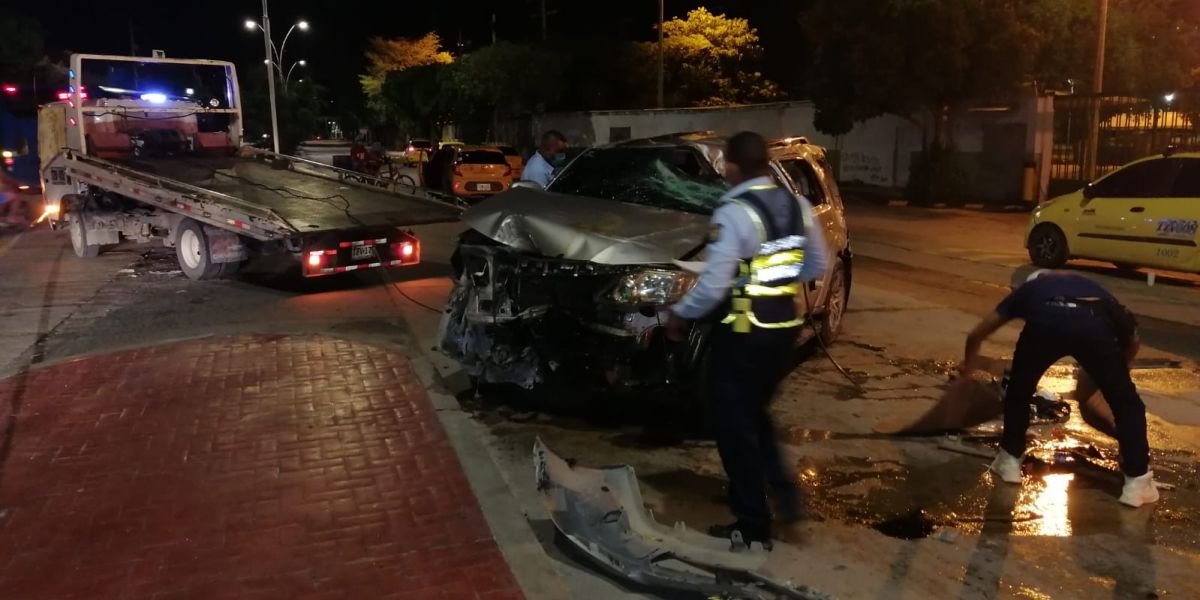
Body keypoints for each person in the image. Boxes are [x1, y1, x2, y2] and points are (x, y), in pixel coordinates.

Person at [665, 131, 828, 547]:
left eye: (724, 165)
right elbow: (816, 264)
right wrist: (774, 281)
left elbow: (716, 283)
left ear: (732, 167)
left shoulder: (735, 212)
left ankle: (752, 524)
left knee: (733, 427)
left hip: (743, 333)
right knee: (756, 415)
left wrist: (681, 313)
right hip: (783, 331)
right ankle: (786, 498)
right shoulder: (798, 205)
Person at [961, 269, 1158, 507]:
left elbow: (976, 334)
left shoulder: (1029, 291)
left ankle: (1010, 462)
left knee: (1019, 391)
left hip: (1046, 321)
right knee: (1127, 404)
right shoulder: (1095, 289)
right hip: (1093, 322)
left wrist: (968, 367)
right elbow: (1133, 337)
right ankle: (1137, 484)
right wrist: (1118, 374)